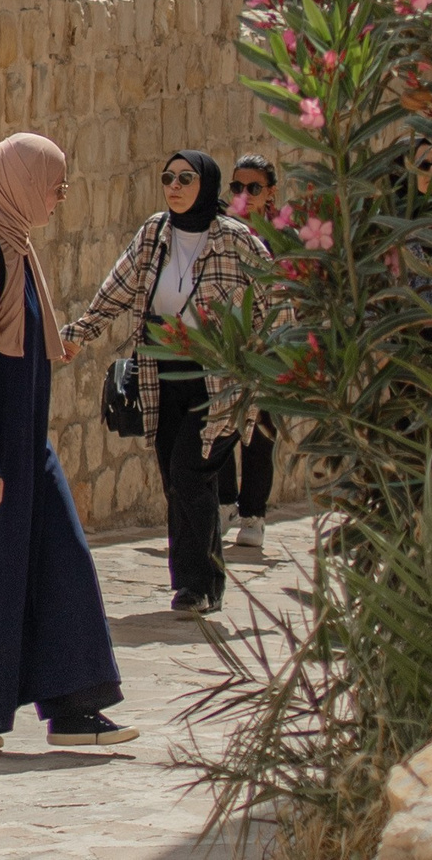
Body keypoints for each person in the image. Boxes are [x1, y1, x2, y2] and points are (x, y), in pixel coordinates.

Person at [0, 132, 136, 751]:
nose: (60, 196)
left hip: (23, 452)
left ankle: (74, 705)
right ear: (17, 184)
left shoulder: (17, 248)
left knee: (59, 567)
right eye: (53, 184)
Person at [65, 148, 268, 616]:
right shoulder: (154, 233)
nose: (174, 186)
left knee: (190, 470)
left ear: (207, 185)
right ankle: (207, 581)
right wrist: (78, 335)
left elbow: (275, 302)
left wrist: (263, 365)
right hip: (162, 374)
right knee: (177, 479)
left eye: (185, 178)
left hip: (217, 379)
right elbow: (116, 289)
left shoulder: (235, 241)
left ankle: (193, 586)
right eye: (168, 178)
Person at [216, 155, 281, 560]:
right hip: (225, 339)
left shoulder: (281, 234)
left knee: (261, 430)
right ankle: (224, 502)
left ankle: (253, 514)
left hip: (268, 341)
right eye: (237, 188)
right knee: (218, 422)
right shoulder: (220, 229)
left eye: (253, 188)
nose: (243, 196)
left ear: (270, 192)